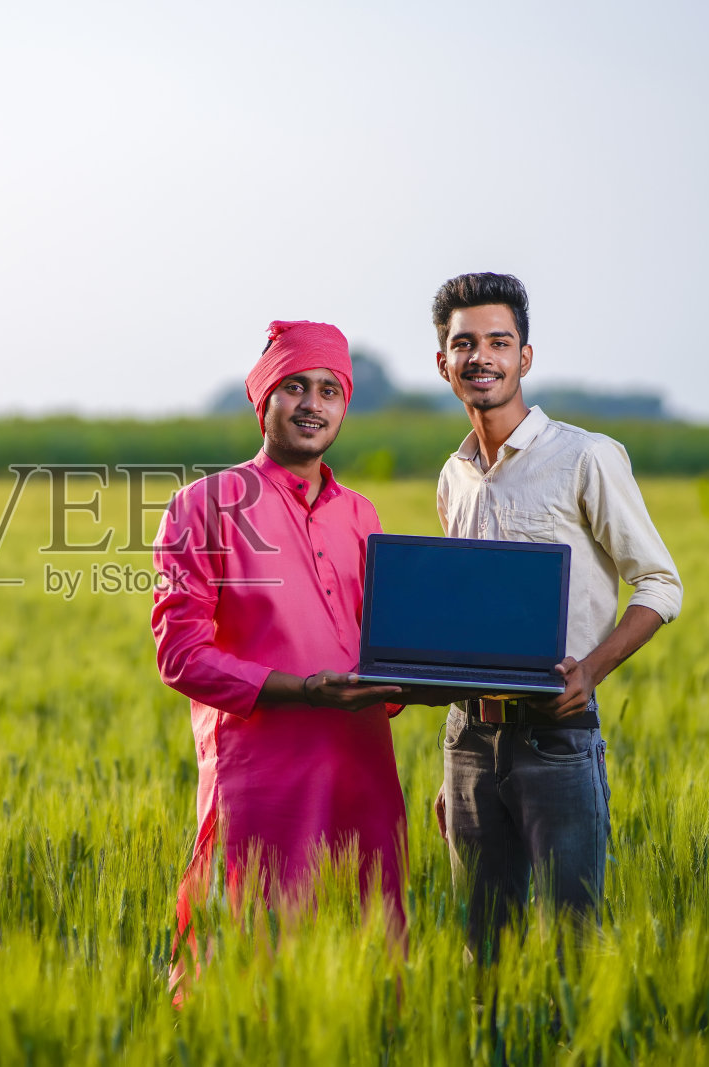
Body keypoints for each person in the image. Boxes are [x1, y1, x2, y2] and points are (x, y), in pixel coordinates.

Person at [151, 319, 449, 999]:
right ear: (264, 400)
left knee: (370, 967)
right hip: (259, 784)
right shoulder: (205, 505)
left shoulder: (363, 515)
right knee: (241, 973)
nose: (313, 403)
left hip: (362, 774)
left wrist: (436, 681)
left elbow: (385, 644)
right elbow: (182, 655)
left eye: (329, 390)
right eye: (295, 386)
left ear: (345, 406)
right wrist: (307, 690)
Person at [428, 272, 683, 962]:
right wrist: (448, 771)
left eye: (499, 342)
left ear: (525, 357)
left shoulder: (585, 456)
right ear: (443, 361)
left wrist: (590, 671)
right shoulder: (452, 477)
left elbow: (660, 583)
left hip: (559, 739)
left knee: (574, 946)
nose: (481, 357)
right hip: (469, 741)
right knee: (484, 948)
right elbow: (462, 616)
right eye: (465, 344)